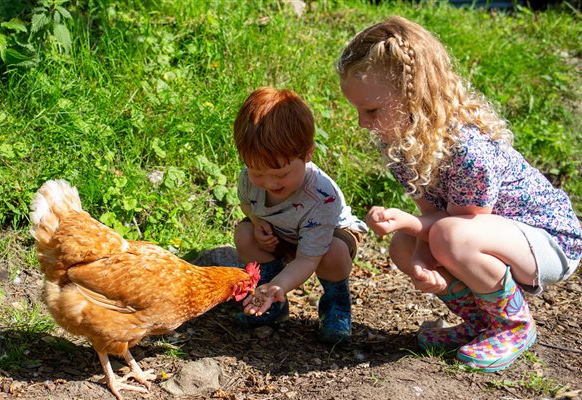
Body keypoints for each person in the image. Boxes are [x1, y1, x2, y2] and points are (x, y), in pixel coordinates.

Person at [336, 16, 581, 371]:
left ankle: (513, 325)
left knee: (451, 236)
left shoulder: (468, 148)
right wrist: (418, 255)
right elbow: (430, 215)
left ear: (413, 96)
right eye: (358, 111)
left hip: (549, 241)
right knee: (402, 244)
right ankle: (482, 324)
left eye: (371, 110)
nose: (363, 122)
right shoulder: (402, 145)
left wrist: (414, 225)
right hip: (483, 235)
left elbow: (462, 223)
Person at [233, 87, 368, 344]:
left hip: (324, 241)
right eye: (257, 172)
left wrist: (281, 284)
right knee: (245, 234)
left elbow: (308, 258)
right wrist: (257, 221)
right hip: (283, 233)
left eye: (281, 174)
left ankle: (335, 305)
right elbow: (247, 205)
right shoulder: (248, 179)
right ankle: (271, 303)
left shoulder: (322, 196)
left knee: (333, 253)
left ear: (307, 154)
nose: (269, 183)